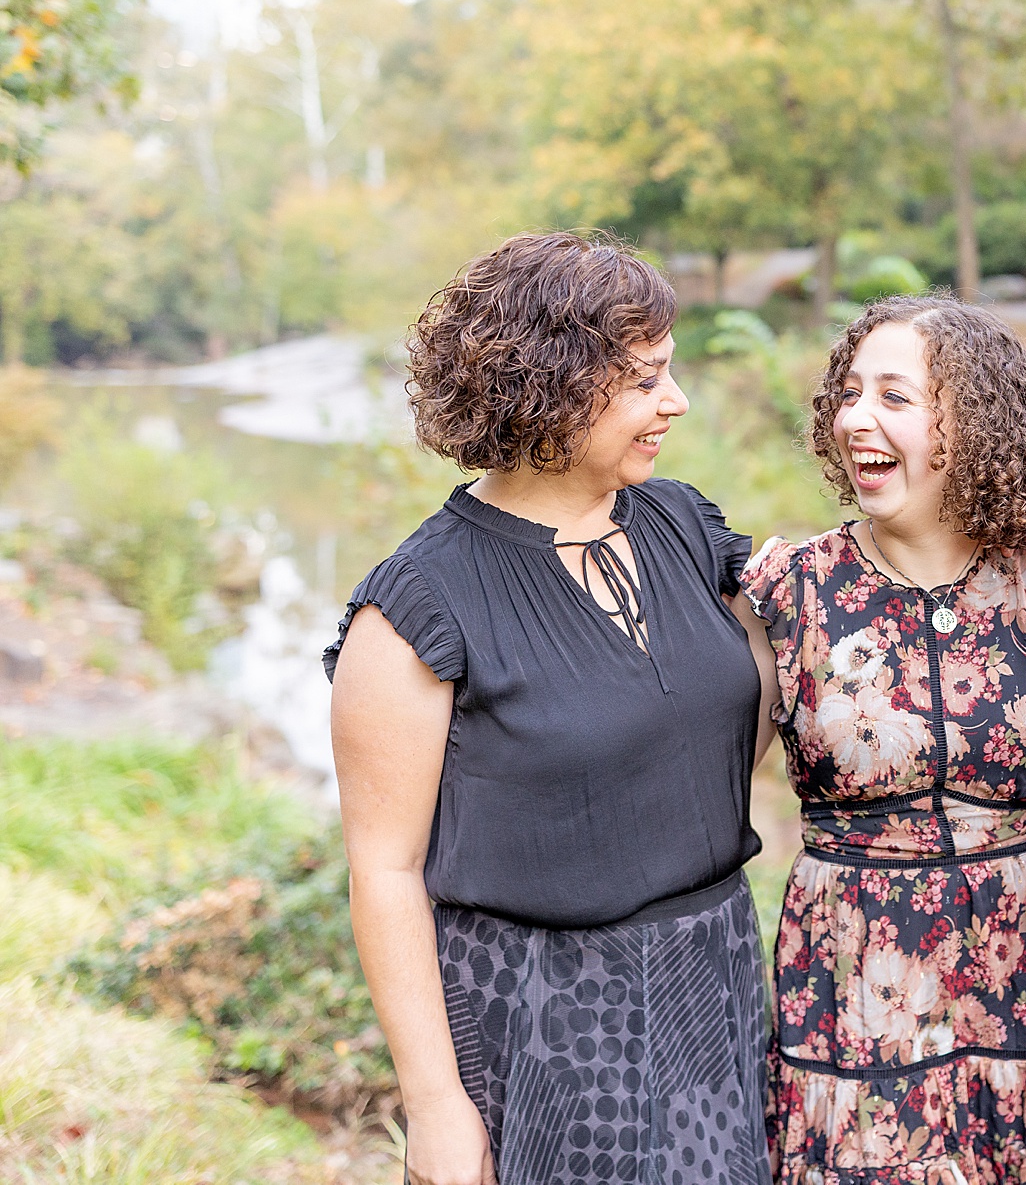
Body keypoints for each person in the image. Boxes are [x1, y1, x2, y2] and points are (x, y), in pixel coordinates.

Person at [325, 231, 773, 1185]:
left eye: (672, 371)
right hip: (544, 1016)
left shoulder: (683, 523)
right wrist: (436, 1103)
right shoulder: (418, 605)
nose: (676, 402)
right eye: (646, 380)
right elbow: (385, 868)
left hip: (715, 972)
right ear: (555, 386)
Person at [737, 296, 1026, 1185]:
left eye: (895, 397)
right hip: (854, 973)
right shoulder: (788, 591)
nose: (857, 416)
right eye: (849, 394)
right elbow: (702, 802)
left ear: (973, 424)